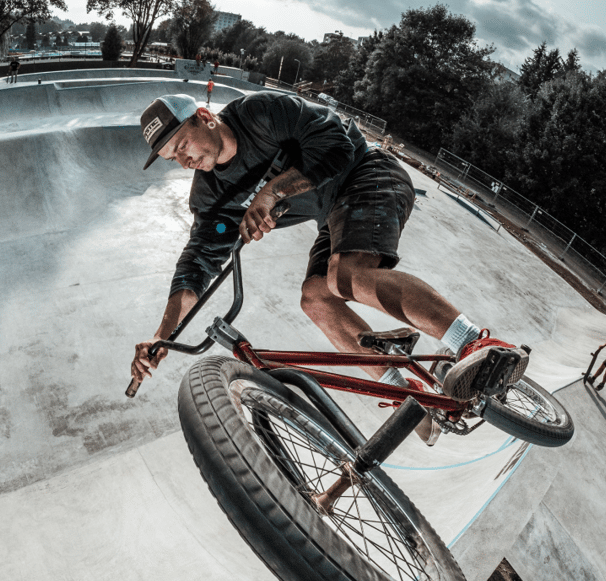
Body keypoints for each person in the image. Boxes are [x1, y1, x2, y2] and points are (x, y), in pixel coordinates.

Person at [130, 93, 530, 443]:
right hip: (333, 214)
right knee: (315, 299)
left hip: (369, 172)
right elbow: (197, 262)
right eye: (173, 158)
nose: (184, 161)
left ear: (204, 117)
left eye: (182, 144)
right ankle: (401, 388)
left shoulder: (261, 113)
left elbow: (337, 145)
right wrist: (163, 337)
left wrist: (273, 192)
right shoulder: (212, 197)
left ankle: (475, 341)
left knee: (345, 277)